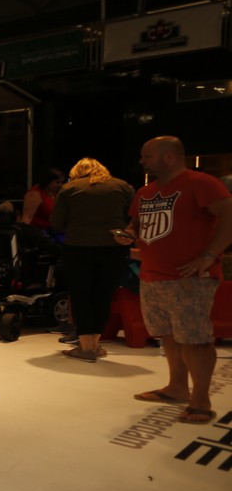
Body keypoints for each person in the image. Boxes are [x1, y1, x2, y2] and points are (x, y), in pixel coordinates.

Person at [121, 136, 231, 424]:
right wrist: (128, 234)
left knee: (195, 339)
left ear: (169, 156)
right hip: (152, 274)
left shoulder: (200, 183)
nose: (142, 161)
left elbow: (229, 214)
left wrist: (209, 255)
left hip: (189, 277)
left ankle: (201, 400)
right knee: (168, 334)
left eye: (147, 156)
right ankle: (177, 387)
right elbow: (136, 224)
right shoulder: (145, 191)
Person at [49, 158, 135, 363]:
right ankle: (95, 345)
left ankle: (86, 347)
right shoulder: (122, 186)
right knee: (103, 295)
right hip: (114, 248)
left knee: (82, 296)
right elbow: (134, 216)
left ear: (76, 172)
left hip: (78, 248)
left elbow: (57, 222)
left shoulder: (69, 188)